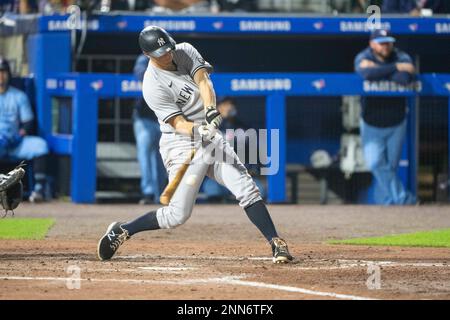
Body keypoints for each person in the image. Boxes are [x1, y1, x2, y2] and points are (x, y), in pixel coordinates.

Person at [97, 26, 293, 264]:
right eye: (160, 53)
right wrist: (199, 129)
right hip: (180, 143)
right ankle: (123, 230)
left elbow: (203, 81)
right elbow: (178, 123)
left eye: (168, 48)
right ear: (148, 55)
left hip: (210, 139)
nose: (167, 55)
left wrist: (211, 109)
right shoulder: (151, 85)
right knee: (176, 216)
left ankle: (275, 241)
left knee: (246, 187)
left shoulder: (184, 50)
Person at [354, 29, 416, 205]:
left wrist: (380, 70)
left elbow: (404, 78)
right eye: (381, 42)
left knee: (390, 168)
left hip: (396, 121)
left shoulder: (401, 55)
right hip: (371, 122)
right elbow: (366, 74)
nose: (385, 45)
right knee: (375, 164)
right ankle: (405, 199)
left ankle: (386, 206)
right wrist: (395, 68)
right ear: (372, 44)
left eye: (388, 41)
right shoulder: (363, 56)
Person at [0, 57, 49, 202]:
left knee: (40, 145)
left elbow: (28, 123)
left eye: (3, 72)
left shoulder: (18, 96)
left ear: (8, 74)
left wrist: (19, 136)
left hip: (15, 142)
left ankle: (39, 190)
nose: (1, 75)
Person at [203, 97, 266, 202]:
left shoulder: (245, 128)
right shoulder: (211, 128)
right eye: (224, 104)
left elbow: (256, 156)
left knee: (260, 190)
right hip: (219, 179)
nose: (229, 107)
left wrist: (253, 170)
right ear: (218, 107)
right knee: (212, 189)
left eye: (230, 104)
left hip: (242, 177)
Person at [133, 54, 166, 204]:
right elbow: (140, 74)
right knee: (145, 153)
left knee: (161, 157)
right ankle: (148, 192)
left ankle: (160, 193)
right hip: (143, 117)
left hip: (162, 118)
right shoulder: (144, 59)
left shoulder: (173, 58)